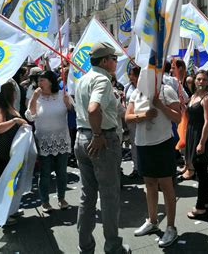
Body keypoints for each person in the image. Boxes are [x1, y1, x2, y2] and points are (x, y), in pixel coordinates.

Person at [74, 42, 130, 254]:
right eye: (114, 59)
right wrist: (98, 134)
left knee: (87, 196)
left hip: (81, 137)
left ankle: (85, 246)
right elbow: (93, 108)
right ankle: (113, 247)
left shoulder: (82, 80)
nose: (116, 62)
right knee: (109, 196)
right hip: (101, 139)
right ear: (105, 61)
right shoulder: (102, 80)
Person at [125, 79, 181, 248]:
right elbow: (128, 116)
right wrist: (143, 115)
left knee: (166, 184)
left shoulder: (166, 90)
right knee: (149, 184)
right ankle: (153, 220)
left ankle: (171, 227)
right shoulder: (136, 93)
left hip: (162, 143)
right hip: (142, 143)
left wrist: (160, 105)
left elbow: (178, 117)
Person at [26, 70, 73, 213]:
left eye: (42, 80)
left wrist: (68, 105)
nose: (39, 83)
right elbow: (30, 116)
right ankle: (45, 201)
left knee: (61, 172)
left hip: (62, 138)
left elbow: (72, 110)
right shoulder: (36, 96)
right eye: (38, 81)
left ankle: (62, 198)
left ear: (51, 81)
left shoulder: (62, 95)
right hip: (43, 140)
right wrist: (34, 98)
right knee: (45, 173)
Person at [185, 70, 208, 220]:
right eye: (198, 79)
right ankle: (207, 203)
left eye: (204, 80)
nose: (201, 82)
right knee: (202, 171)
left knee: (201, 172)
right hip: (192, 134)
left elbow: (207, 123)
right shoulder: (193, 96)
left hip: (202, 136)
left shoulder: (207, 98)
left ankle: (200, 207)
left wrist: (202, 142)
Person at [0, 82, 28, 187]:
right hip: (3, 150)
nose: (16, 93)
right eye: (14, 91)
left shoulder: (10, 107)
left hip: (12, 150)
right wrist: (15, 121)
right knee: (3, 184)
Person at [123, 66, 141, 179]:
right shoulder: (127, 87)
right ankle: (136, 168)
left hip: (142, 119)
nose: (131, 77)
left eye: (133, 75)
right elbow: (125, 101)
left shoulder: (144, 87)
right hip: (131, 121)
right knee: (134, 145)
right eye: (130, 75)